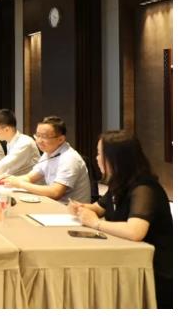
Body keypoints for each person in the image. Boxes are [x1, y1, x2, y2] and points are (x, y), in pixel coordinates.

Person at [69, 131, 172, 308]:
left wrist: (96, 223)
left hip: (152, 270)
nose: (97, 158)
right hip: (126, 260)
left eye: (100, 154)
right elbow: (99, 208)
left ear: (115, 158)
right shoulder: (119, 182)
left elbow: (135, 231)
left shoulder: (144, 188)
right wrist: (81, 208)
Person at [3, 116, 90, 204]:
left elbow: (55, 193)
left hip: (70, 209)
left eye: (44, 137)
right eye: (38, 135)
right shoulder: (49, 152)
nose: (39, 141)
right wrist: (9, 180)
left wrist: (20, 184)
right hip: (55, 204)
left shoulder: (69, 158)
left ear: (61, 139)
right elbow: (30, 177)